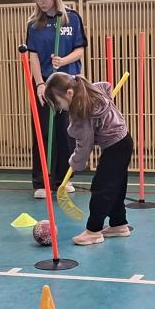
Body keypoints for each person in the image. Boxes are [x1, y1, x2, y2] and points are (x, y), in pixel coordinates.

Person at [44, 72, 133, 246]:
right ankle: (118, 224)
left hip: (116, 147)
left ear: (69, 93)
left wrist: (74, 163)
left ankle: (93, 231)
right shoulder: (92, 89)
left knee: (101, 188)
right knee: (115, 187)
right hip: (124, 141)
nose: (61, 107)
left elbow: (85, 145)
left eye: (59, 102)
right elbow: (107, 86)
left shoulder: (82, 111)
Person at [26, 0, 87, 198]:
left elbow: (80, 50)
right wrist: (40, 84)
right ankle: (41, 181)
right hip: (45, 83)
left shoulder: (72, 18)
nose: (40, 2)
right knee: (42, 131)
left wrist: (63, 61)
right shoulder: (34, 25)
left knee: (66, 132)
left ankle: (64, 179)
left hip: (67, 83)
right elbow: (33, 56)